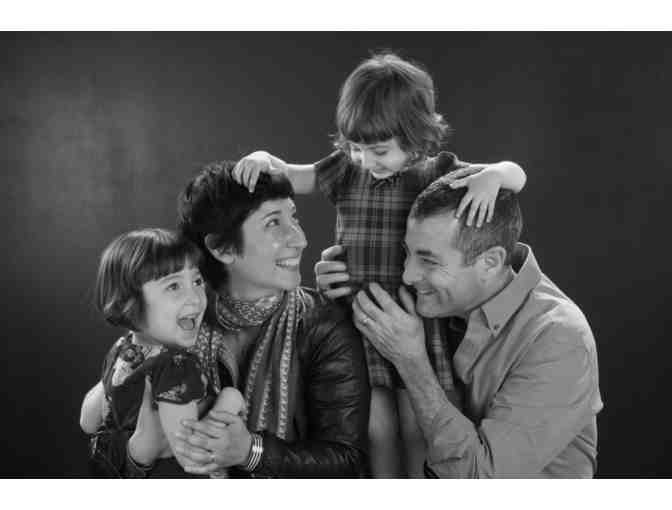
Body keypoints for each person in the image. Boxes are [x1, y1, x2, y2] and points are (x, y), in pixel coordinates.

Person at [232, 52, 527, 477]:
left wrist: (494, 175)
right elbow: (292, 175)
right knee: (374, 427)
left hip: (415, 322)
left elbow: (515, 174)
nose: (367, 161)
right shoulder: (346, 171)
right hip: (358, 319)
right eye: (356, 148)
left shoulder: (436, 173)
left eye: (379, 150)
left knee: (417, 424)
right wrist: (263, 158)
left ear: (415, 135)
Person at [98, 161, 370, 478]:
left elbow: (348, 460)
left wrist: (250, 451)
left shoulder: (322, 324)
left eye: (293, 217)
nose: (300, 239)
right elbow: (100, 442)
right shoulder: (179, 317)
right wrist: (138, 451)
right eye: (273, 223)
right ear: (221, 248)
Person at [345, 179, 603, 477]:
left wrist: (411, 363)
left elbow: (480, 477)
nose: (408, 275)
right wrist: (344, 274)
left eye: (428, 261)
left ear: (490, 262)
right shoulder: (439, 300)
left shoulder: (558, 337)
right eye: (407, 253)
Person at [80, 228, 244, 477]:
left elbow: (88, 421)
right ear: (128, 302)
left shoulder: (124, 350)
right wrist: (230, 402)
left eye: (197, 281)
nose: (195, 298)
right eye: (174, 286)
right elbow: (193, 456)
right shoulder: (176, 366)